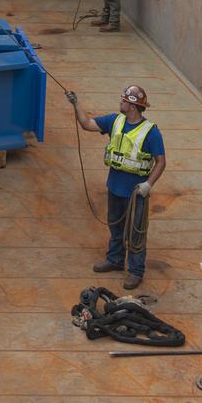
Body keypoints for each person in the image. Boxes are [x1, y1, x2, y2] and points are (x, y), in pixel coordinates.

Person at [64, 84, 165, 289]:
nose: (121, 102)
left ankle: (136, 271)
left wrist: (148, 184)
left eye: (124, 100)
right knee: (115, 226)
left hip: (136, 193)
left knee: (135, 232)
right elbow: (86, 124)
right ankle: (115, 260)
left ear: (134, 106)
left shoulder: (150, 132)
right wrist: (76, 104)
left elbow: (161, 161)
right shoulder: (115, 121)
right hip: (115, 187)